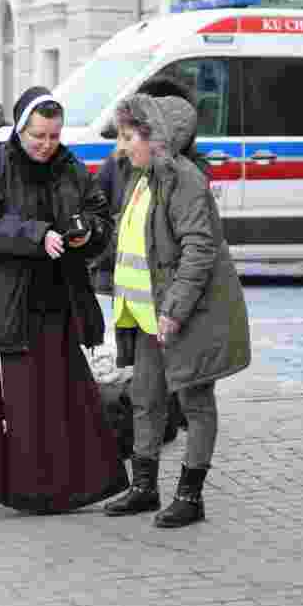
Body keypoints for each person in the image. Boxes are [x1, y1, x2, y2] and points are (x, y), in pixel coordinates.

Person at [0, 85, 129, 515]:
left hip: (57, 303)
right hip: (0, 305)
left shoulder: (72, 169)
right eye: (38, 137)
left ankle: (67, 487)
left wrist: (89, 233)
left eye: (53, 136)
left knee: (60, 400)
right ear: (19, 129)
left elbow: (101, 218)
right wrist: (36, 234)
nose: (47, 145)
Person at [103, 93, 251, 528]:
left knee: (195, 401)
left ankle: (191, 496)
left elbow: (199, 248)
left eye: (130, 137)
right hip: (146, 314)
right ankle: (144, 487)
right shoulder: (143, 177)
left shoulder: (184, 179)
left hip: (181, 314)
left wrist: (175, 309)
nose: (123, 146)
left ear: (158, 137)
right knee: (146, 399)